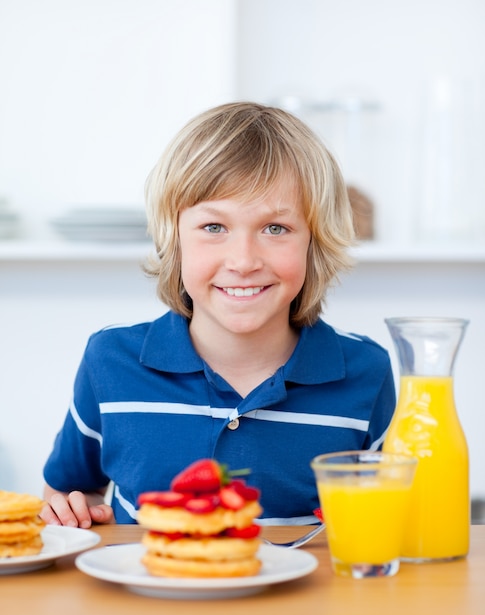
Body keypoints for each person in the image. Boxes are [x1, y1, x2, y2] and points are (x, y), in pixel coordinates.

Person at [40, 101, 395, 529]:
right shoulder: (110, 360)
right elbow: (69, 490)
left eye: (275, 228)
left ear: (314, 242)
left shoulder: (365, 371)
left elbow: (384, 517)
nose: (243, 261)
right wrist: (72, 511)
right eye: (214, 228)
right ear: (174, 237)